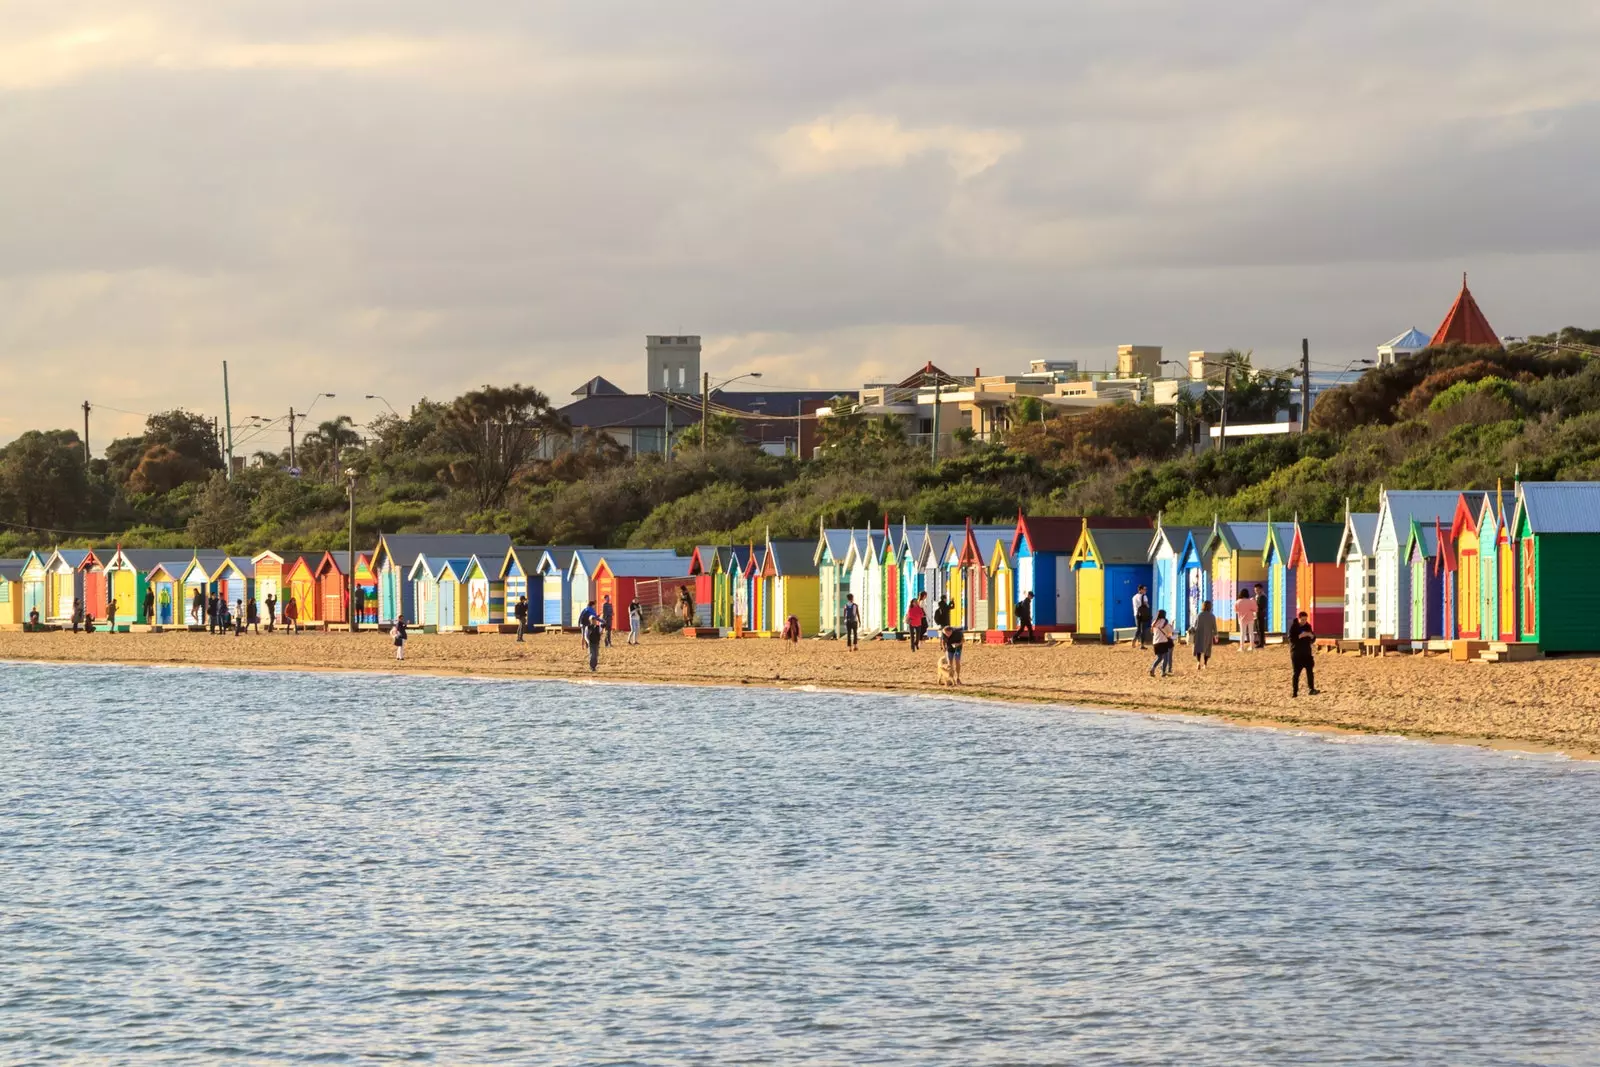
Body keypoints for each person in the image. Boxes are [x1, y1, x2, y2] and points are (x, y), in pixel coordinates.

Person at [1288, 610, 1320, 696]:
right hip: (1296, 654)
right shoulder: (1294, 627)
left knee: (1310, 671)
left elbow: (1312, 639)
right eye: (1302, 620)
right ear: (1299, 619)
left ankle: (1311, 689)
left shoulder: (1308, 626)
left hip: (1307, 653)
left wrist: (1311, 636)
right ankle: (1295, 692)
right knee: (1296, 673)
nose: (1304, 621)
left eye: (1305, 619)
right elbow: (1291, 639)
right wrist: (1299, 636)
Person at [1191, 600, 1217, 670]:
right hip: (1208, 635)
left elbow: (1195, 625)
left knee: (1198, 649)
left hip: (1199, 634)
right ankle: (1205, 664)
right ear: (1210, 607)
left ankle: (1198, 662)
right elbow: (1214, 627)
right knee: (1207, 650)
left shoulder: (1199, 615)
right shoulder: (1212, 616)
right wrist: (1216, 635)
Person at [1149, 609, 1176, 677]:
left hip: (1155, 642)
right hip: (1163, 642)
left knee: (1159, 658)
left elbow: (1152, 632)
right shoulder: (1165, 623)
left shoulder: (1154, 623)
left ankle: (1153, 668)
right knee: (1165, 658)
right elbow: (1170, 633)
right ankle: (1163, 672)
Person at [1234, 588, 1256, 653]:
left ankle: (1242, 647)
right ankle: (1252, 646)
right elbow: (1255, 609)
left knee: (1242, 633)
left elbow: (1236, 610)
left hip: (1242, 619)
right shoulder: (1250, 601)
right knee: (1251, 633)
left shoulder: (1237, 602)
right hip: (1250, 618)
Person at [1254, 584, 1268, 649]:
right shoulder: (1257, 596)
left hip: (1260, 615)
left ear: (1261, 589)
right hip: (1257, 615)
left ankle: (1261, 643)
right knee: (1258, 629)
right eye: (1255, 590)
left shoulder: (1263, 597)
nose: (1256, 591)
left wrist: (1254, 603)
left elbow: (1261, 606)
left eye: (1257, 589)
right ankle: (1261, 641)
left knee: (1260, 629)